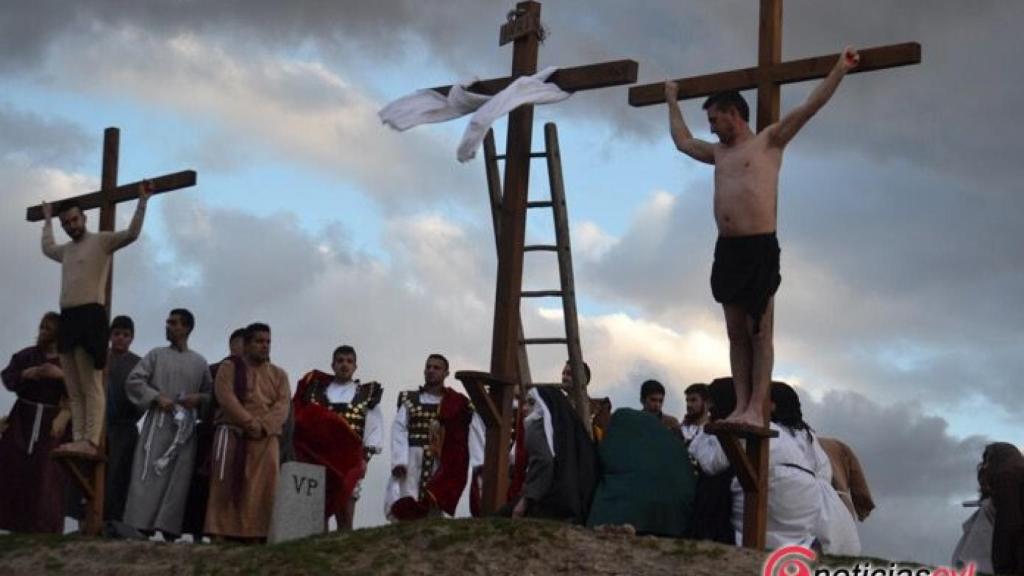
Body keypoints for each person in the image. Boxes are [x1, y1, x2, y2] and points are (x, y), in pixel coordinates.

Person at [664, 48, 860, 427]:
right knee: (735, 333)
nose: (711, 127)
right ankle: (741, 404)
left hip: (758, 246)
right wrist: (671, 100)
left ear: (734, 114)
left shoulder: (769, 142)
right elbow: (683, 142)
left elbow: (809, 107)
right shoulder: (718, 153)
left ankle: (757, 406)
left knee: (759, 331)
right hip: (728, 249)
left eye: (714, 118)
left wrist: (840, 69)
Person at [40, 181, 151, 456]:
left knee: (91, 383)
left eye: (74, 219)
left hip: (91, 315)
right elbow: (47, 247)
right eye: (66, 222)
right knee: (73, 385)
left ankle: (90, 440)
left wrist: (142, 202)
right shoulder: (66, 251)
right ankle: (78, 437)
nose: (71, 225)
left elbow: (132, 234)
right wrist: (46, 221)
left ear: (84, 218)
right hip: (69, 317)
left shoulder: (101, 241)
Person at [122, 309, 212, 540]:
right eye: (168, 322)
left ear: (187, 328)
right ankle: (140, 525)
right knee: (147, 474)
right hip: (158, 424)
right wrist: (155, 397)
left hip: (184, 430)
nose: (168, 326)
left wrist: (198, 399)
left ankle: (170, 528)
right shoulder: (156, 355)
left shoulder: (200, 362)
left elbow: (210, 395)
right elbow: (134, 380)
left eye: (173, 323)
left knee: (178, 480)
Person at [204, 322, 291, 542]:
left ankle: (256, 534)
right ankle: (220, 532)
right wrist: (248, 422)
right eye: (259, 341)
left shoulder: (279, 374)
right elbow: (225, 397)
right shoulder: (230, 367)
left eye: (268, 342)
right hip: (233, 432)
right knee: (225, 484)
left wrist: (262, 427)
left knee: (263, 488)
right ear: (247, 344)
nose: (265, 346)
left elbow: (282, 406)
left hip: (266, 438)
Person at [293, 345, 383, 531]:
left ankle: (345, 548)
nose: (344, 365)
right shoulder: (315, 390)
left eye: (349, 361)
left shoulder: (367, 394)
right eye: (340, 361)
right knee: (318, 508)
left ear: (355, 366)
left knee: (346, 510)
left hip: (348, 460)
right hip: (319, 457)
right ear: (332, 365)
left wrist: (365, 459)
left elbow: (374, 428)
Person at [385, 354, 484, 521]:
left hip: (441, 459)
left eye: (436, 368)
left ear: (446, 373)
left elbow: (468, 431)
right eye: (428, 367)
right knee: (408, 496)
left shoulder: (457, 402)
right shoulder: (410, 399)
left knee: (435, 499)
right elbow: (399, 429)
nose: (431, 371)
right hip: (412, 455)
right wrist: (399, 460)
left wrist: (476, 461)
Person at [766, 382, 860, 555]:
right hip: (823, 497)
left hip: (804, 494)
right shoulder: (807, 433)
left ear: (773, 404)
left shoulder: (781, 434)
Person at [0, 312, 69, 533]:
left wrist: (60, 375)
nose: (42, 332)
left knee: (47, 474)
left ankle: (43, 528)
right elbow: (8, 378)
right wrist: (25, 374)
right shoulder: (27, 356)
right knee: (15, 467)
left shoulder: (68, 361)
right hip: (22, 420)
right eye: (41, 327)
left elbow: (80, 391)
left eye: (47, 328)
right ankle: (11, 524)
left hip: (51, 423)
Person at [181, 327, 246, 541]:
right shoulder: (215, 370)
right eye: (242, 343)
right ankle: (201, 531)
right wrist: (202, 399)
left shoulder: (260, 373)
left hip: (245, 436)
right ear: (232, 344)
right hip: (212, 433)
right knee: (204, 484)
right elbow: (201, 398)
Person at [508, 386, 597, 524]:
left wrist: (525, 501)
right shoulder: (570, 432)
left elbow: (544, 461)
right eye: (525, 403)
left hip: (548, 507)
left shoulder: (536, 426)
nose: (524, 408)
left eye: (531, 403)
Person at [687, 377, 741, 545]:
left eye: (712, 401)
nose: (709, 407)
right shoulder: (709, 427)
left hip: (721, 502)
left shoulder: (733, 427)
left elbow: (713, 465)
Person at [103, 315, 143, 524]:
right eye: (117, 334)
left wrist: (133, 413)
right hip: (98, 426)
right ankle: (88, 519)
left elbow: (143, 397)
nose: (120, 338)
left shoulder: (138, 364)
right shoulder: (100, 358)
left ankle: (115, 521)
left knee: (120, 475)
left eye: (125, 335)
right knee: (94, 470)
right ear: (110, 335)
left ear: (131, 338)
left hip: (125, 427)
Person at [978, 442, 1024, 574]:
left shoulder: (1009, 483)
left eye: (987, 461)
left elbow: (1008, 529)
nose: (984, 467)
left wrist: (1004, 570)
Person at [818, 437, 875, 522]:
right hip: (841, 509)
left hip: (806, 512)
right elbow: (859, 485)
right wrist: (863, 508)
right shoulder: (837, 446)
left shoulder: (794, 445)